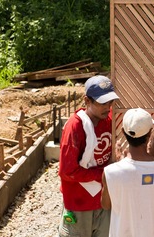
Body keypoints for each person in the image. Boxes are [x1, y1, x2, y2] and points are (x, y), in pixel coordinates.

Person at [58, 75, 119, 237]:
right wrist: (103, 174)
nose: (108, 107)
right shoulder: (75, 127)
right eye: (102, 103)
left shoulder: (109, 119)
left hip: (103, 200)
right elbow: (67, 171)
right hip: (79, 203)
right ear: (87, 101)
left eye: (110, 102)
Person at [101, 108, 154, 237]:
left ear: (124, 132)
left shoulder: (110, 172)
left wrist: (121, 164)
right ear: (149, 134)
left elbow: (106, 205)